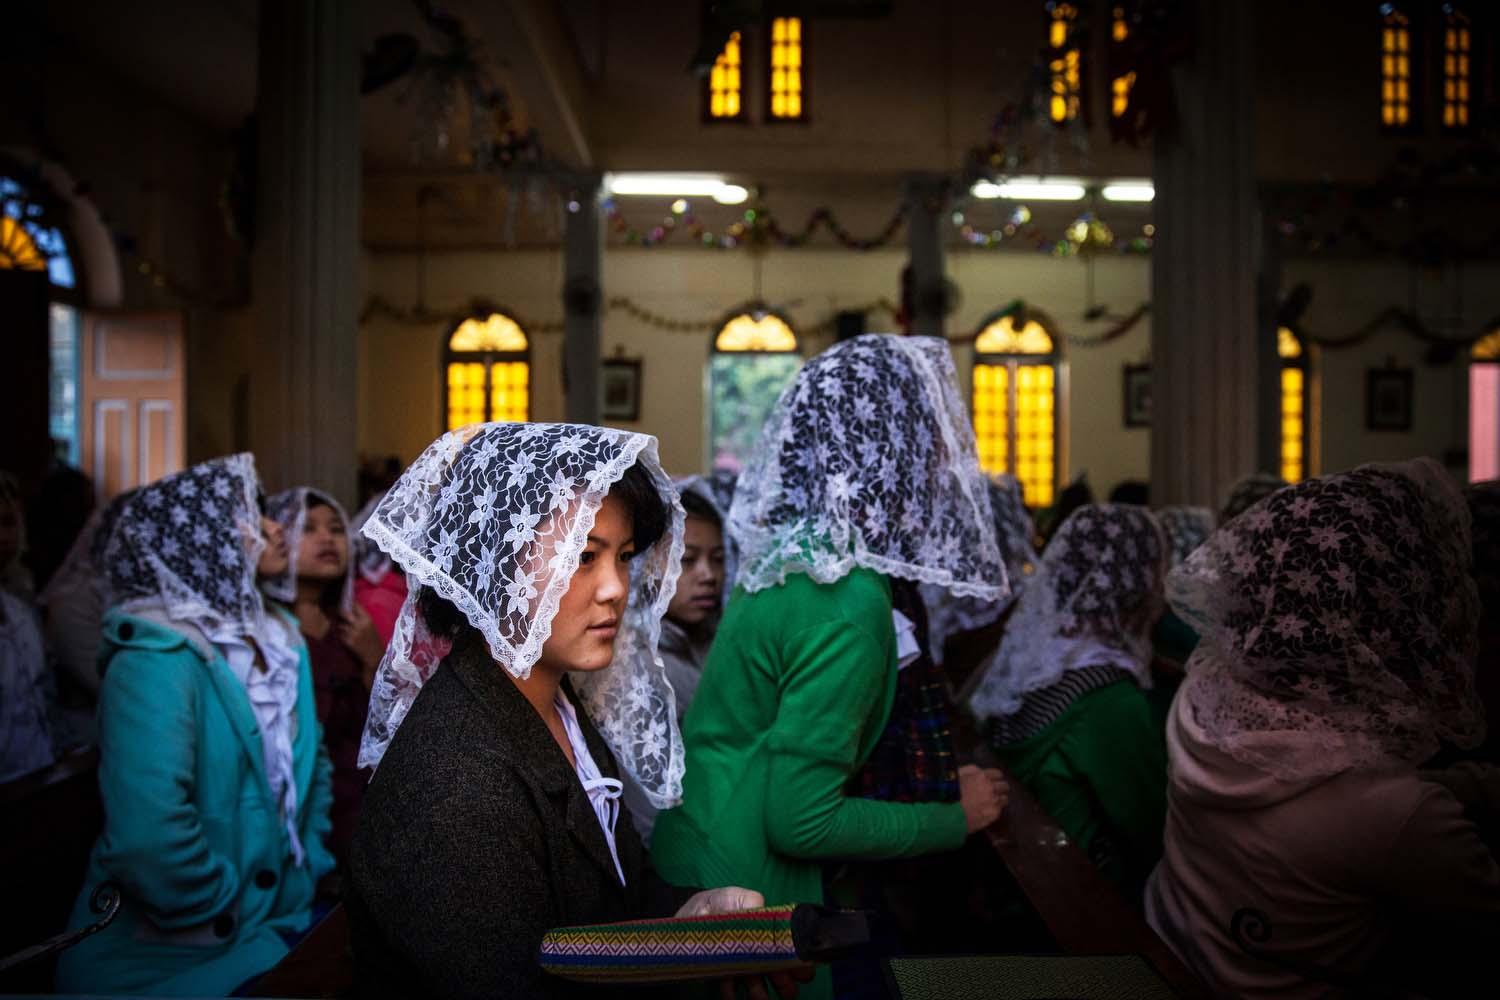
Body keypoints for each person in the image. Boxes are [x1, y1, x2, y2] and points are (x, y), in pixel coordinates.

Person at [344, 423, 781, 1000]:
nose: (616, 588)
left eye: (624, 556)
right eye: (583, 556)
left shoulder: (560, 703)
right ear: (496, 564)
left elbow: (613, 900)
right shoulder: (456, 780)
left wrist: (690, 911)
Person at [651, 335, 1010, 1000]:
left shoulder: (801, 551)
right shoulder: (844, 599)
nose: (946, 462)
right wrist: (952, 818)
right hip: (749, 891)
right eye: (933, 440)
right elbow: (801, 821)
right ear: (896, 454)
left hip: (707, 844)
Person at [1146, 459, 1500, 998]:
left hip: (1176, 951)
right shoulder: (1397, 814)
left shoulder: (1206, 704)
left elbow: (1321, 807)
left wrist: (1471, 787)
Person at [55, 455, 336, 997]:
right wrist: (221, 904)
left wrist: (309, 868)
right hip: (168, 954)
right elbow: (148, 837)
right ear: (201, 535)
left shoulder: (282, 637)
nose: (276, 527)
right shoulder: (154, 657)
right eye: (251, 514)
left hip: (277, 916)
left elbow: (313, 769)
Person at [969, 504, 1170, 898]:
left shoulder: (1037, 660)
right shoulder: (1109, 701)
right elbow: (1152, 831)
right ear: (1142, 585)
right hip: (1075, 896)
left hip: (1018, 873)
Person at [263, 487, 384, 860]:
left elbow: (377, 728)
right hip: (295, 820)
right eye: (307, 528)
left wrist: (373, 659)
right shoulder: (265, 634)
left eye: (335, 528)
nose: (327, 539)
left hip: (358, 809)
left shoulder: (351, 625)